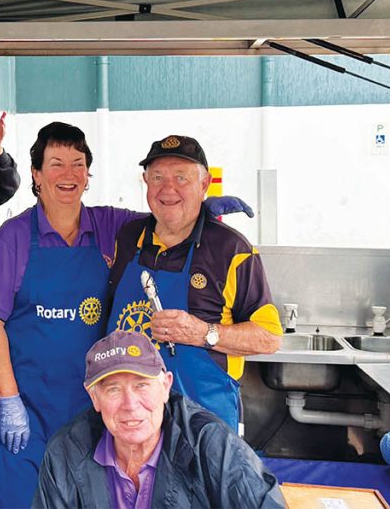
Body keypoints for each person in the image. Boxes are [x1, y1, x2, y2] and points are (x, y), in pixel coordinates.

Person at [0, 122, 252, 508]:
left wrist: (198, 210)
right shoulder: (13, 237)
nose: (67, 175)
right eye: (55, 164)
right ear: (36, 175)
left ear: (88, 175)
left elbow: (165, 214)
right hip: (25, 407)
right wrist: (9, 400)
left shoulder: (111, 225)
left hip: (92, 408)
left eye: (77, 164)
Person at [106, 135, 282, 432]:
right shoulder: (126, 238)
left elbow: (269, 337)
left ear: (204, 185)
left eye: (181, 178)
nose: (168, 188)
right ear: (145, 183)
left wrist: (204, 333)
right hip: (130, 424)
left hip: (203, 428)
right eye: (158, 177)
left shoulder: (232, 250)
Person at [32, 331, 285, 508]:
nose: (130, 405)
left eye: (142, 385)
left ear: (166, 387)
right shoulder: (66, 452)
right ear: (94, 398)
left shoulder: (211, 445)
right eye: (113, 390)